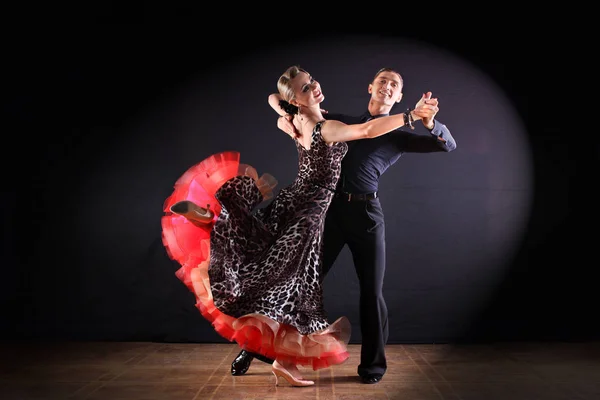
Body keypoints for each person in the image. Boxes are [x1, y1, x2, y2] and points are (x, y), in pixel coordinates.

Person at [161, 65, 437, 386]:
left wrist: (292, 104)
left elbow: (273, 97)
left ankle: (219, 222)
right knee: (290, 283)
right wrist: (410, 116)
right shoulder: (327, 127)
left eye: (313, 82)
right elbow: (366, 131)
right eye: (306, 88)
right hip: (313, 212)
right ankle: (279, 355)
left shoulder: (291, 121)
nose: (315, 88)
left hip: (301, 201)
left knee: (267, 260)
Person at [230, 67, 457, 384]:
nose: (387, 86)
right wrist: (288, 118)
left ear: (400, 96)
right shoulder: (338, 121)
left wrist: (429, 122)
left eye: (394, 84)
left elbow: (447, 145)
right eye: (382, 81)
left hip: (366, 216)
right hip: (329, 214)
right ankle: (254, 348)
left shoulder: (401, 138)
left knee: (372, 294)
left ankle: (373, 366)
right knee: (295, 286)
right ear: (370, 88)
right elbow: (280, 101)